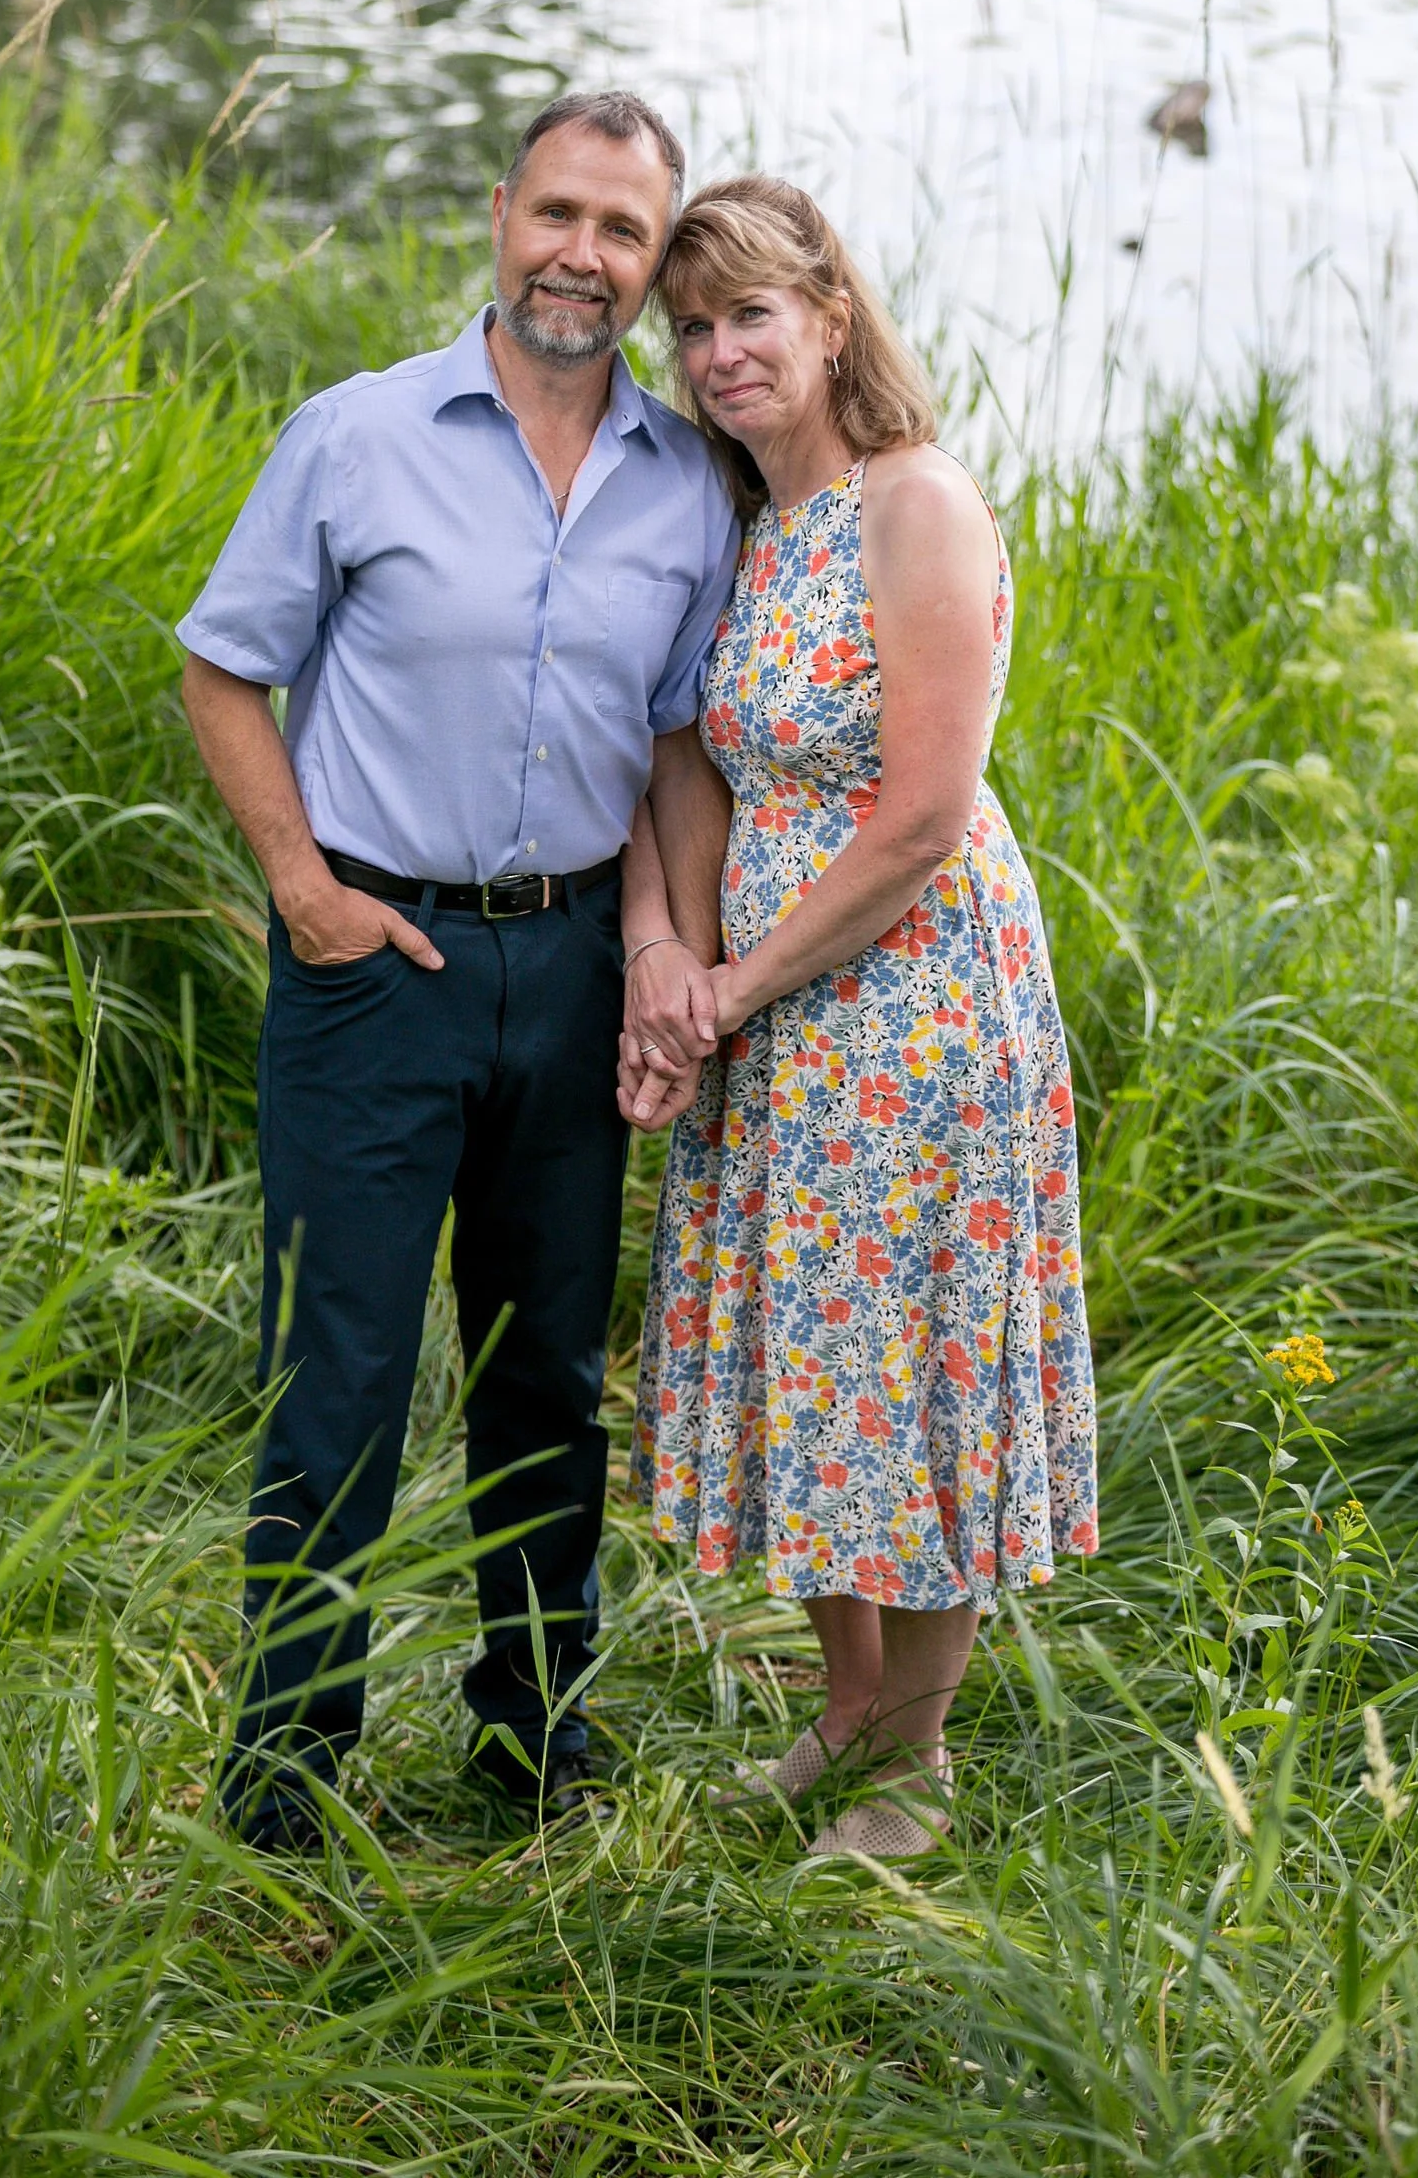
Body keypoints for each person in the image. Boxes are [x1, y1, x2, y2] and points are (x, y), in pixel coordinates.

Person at [177, 89, 737, 1850]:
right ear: (499, 213)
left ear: (651, 267)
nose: (584, 253)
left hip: (570, 967)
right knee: (333, 1376)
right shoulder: (355, 439)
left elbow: (671, 750)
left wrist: (666, 958)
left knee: (547, 1374)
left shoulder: (686, 486)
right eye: (559, 212)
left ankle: (534, 1745)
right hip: (374, 961)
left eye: (623, 232)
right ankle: (281, 1783)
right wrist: (304, 893)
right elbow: (222, 673)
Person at [618, 175, 1098, 1860]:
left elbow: (921, 813)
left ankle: (917, 1765)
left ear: (832, 318)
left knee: (925, 1356)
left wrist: (733, 984)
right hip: (777, 1015)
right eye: (692, 327)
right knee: (820, 1358)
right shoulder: (740, 531)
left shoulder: (919, 505)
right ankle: (841, 1713)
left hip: (915, 1006)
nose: (721, 354)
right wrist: (673, 960)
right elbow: (686, 762)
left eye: (753, 316)